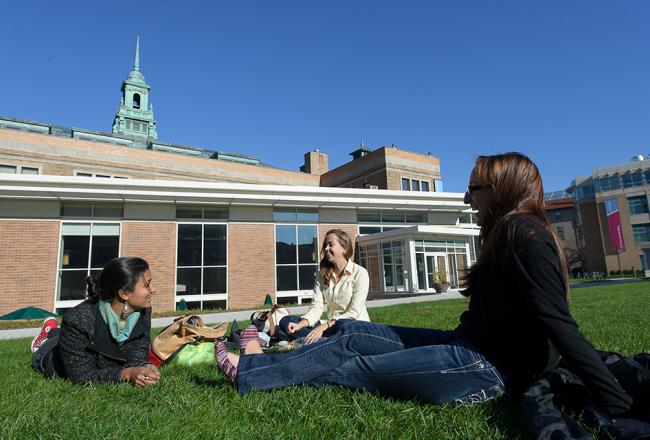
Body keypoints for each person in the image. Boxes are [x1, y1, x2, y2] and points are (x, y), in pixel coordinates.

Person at [215, 152, 633, 417]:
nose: (468, 199)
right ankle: (259, 361)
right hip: (467, 345)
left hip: (488, 368)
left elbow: (557, 322)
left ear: (501, 191)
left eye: (474, 189)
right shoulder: (510, 231)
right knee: (349, 330)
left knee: (355, 367)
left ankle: (251, 371)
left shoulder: (521, 233)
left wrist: (613, 398)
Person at [31, 256, 160, 387]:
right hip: (51, 354)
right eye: (147, 285)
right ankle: (43, 338)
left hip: (70, 337)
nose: (153, 289)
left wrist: (145, 366)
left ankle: (53, 330)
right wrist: (127, 373)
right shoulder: (77, 320)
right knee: (50, 343)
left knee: (58, 334)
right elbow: (82, 376)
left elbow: (138, 350)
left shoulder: (143, 310)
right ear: (124, 293)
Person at [278, 229, 370, 344]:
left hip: (353, 326)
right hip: (330, 327)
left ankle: (315, 340)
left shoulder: (360, 273)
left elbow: (354, 313)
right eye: (325, 245)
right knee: (286, 321)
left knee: (343, 326)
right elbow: (317, 307)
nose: (326, 248)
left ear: (344, 248)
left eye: (330, 244)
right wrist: (300, 325)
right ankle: (321, 340)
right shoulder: (322, 274)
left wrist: (323, 327)